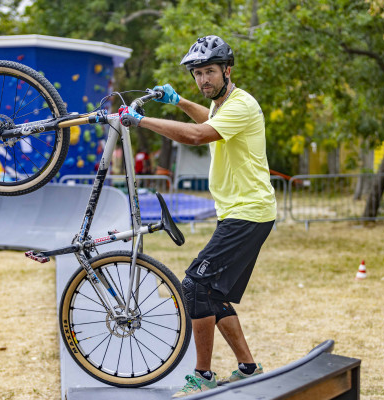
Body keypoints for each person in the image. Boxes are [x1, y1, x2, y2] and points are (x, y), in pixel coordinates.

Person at [119, 35, 277, 397]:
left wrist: (141, 121)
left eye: (209, 72)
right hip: (240, 213)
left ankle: (202, 376)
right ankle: (249, 369)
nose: (203, 80)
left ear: (227, 71)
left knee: (194, 285)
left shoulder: (242, 104)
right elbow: (208, 118)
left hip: (248, 213)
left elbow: (197, 135)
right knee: (214, 294)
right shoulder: (225, 106)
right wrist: (180, 101)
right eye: (197, 74)